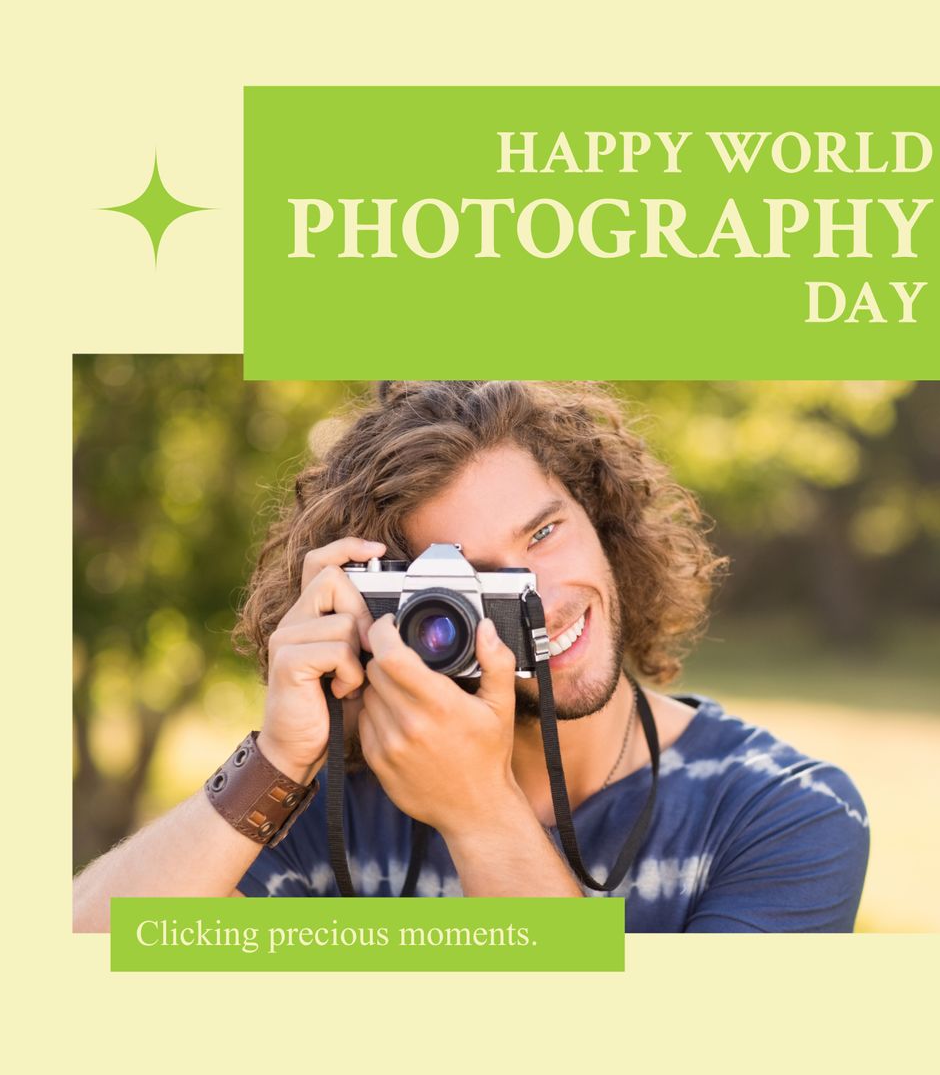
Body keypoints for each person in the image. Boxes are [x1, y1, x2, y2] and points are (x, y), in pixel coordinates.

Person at [73, 380, 869, 932]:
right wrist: (278, 760)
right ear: (382, 613)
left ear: (604, 524)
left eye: (544, 533)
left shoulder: (783, 813)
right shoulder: (337, 809)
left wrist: (478, 812)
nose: (536, 595)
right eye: (472, 582)